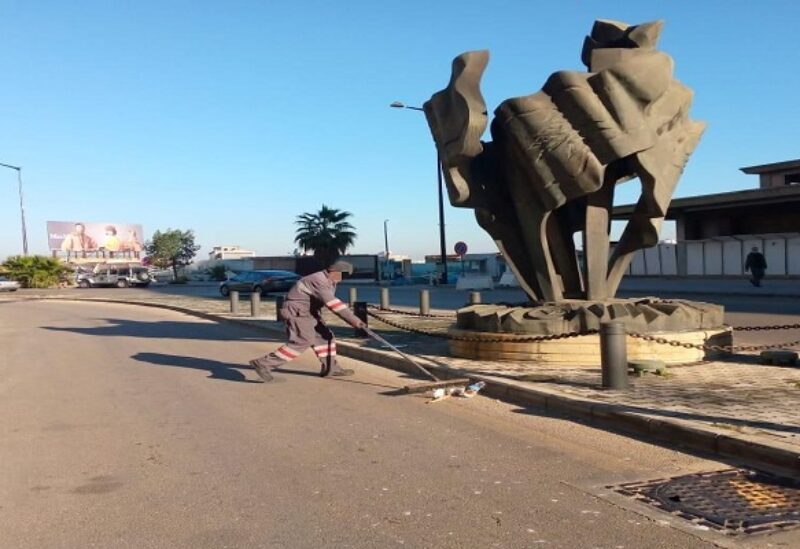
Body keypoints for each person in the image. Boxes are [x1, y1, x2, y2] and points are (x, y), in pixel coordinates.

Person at [249, 260, 365, 382]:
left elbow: (330, 301)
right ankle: (264, 364)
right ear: (334, 271)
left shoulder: (329, 280)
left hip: (309, 313)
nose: (343, 279)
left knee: (326, 337)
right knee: (302, 341)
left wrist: (354, 320)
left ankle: (331, 368)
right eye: (344, 275)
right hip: (298, 312)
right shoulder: (319, 280)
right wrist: (355, 321)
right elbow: (333, 303)